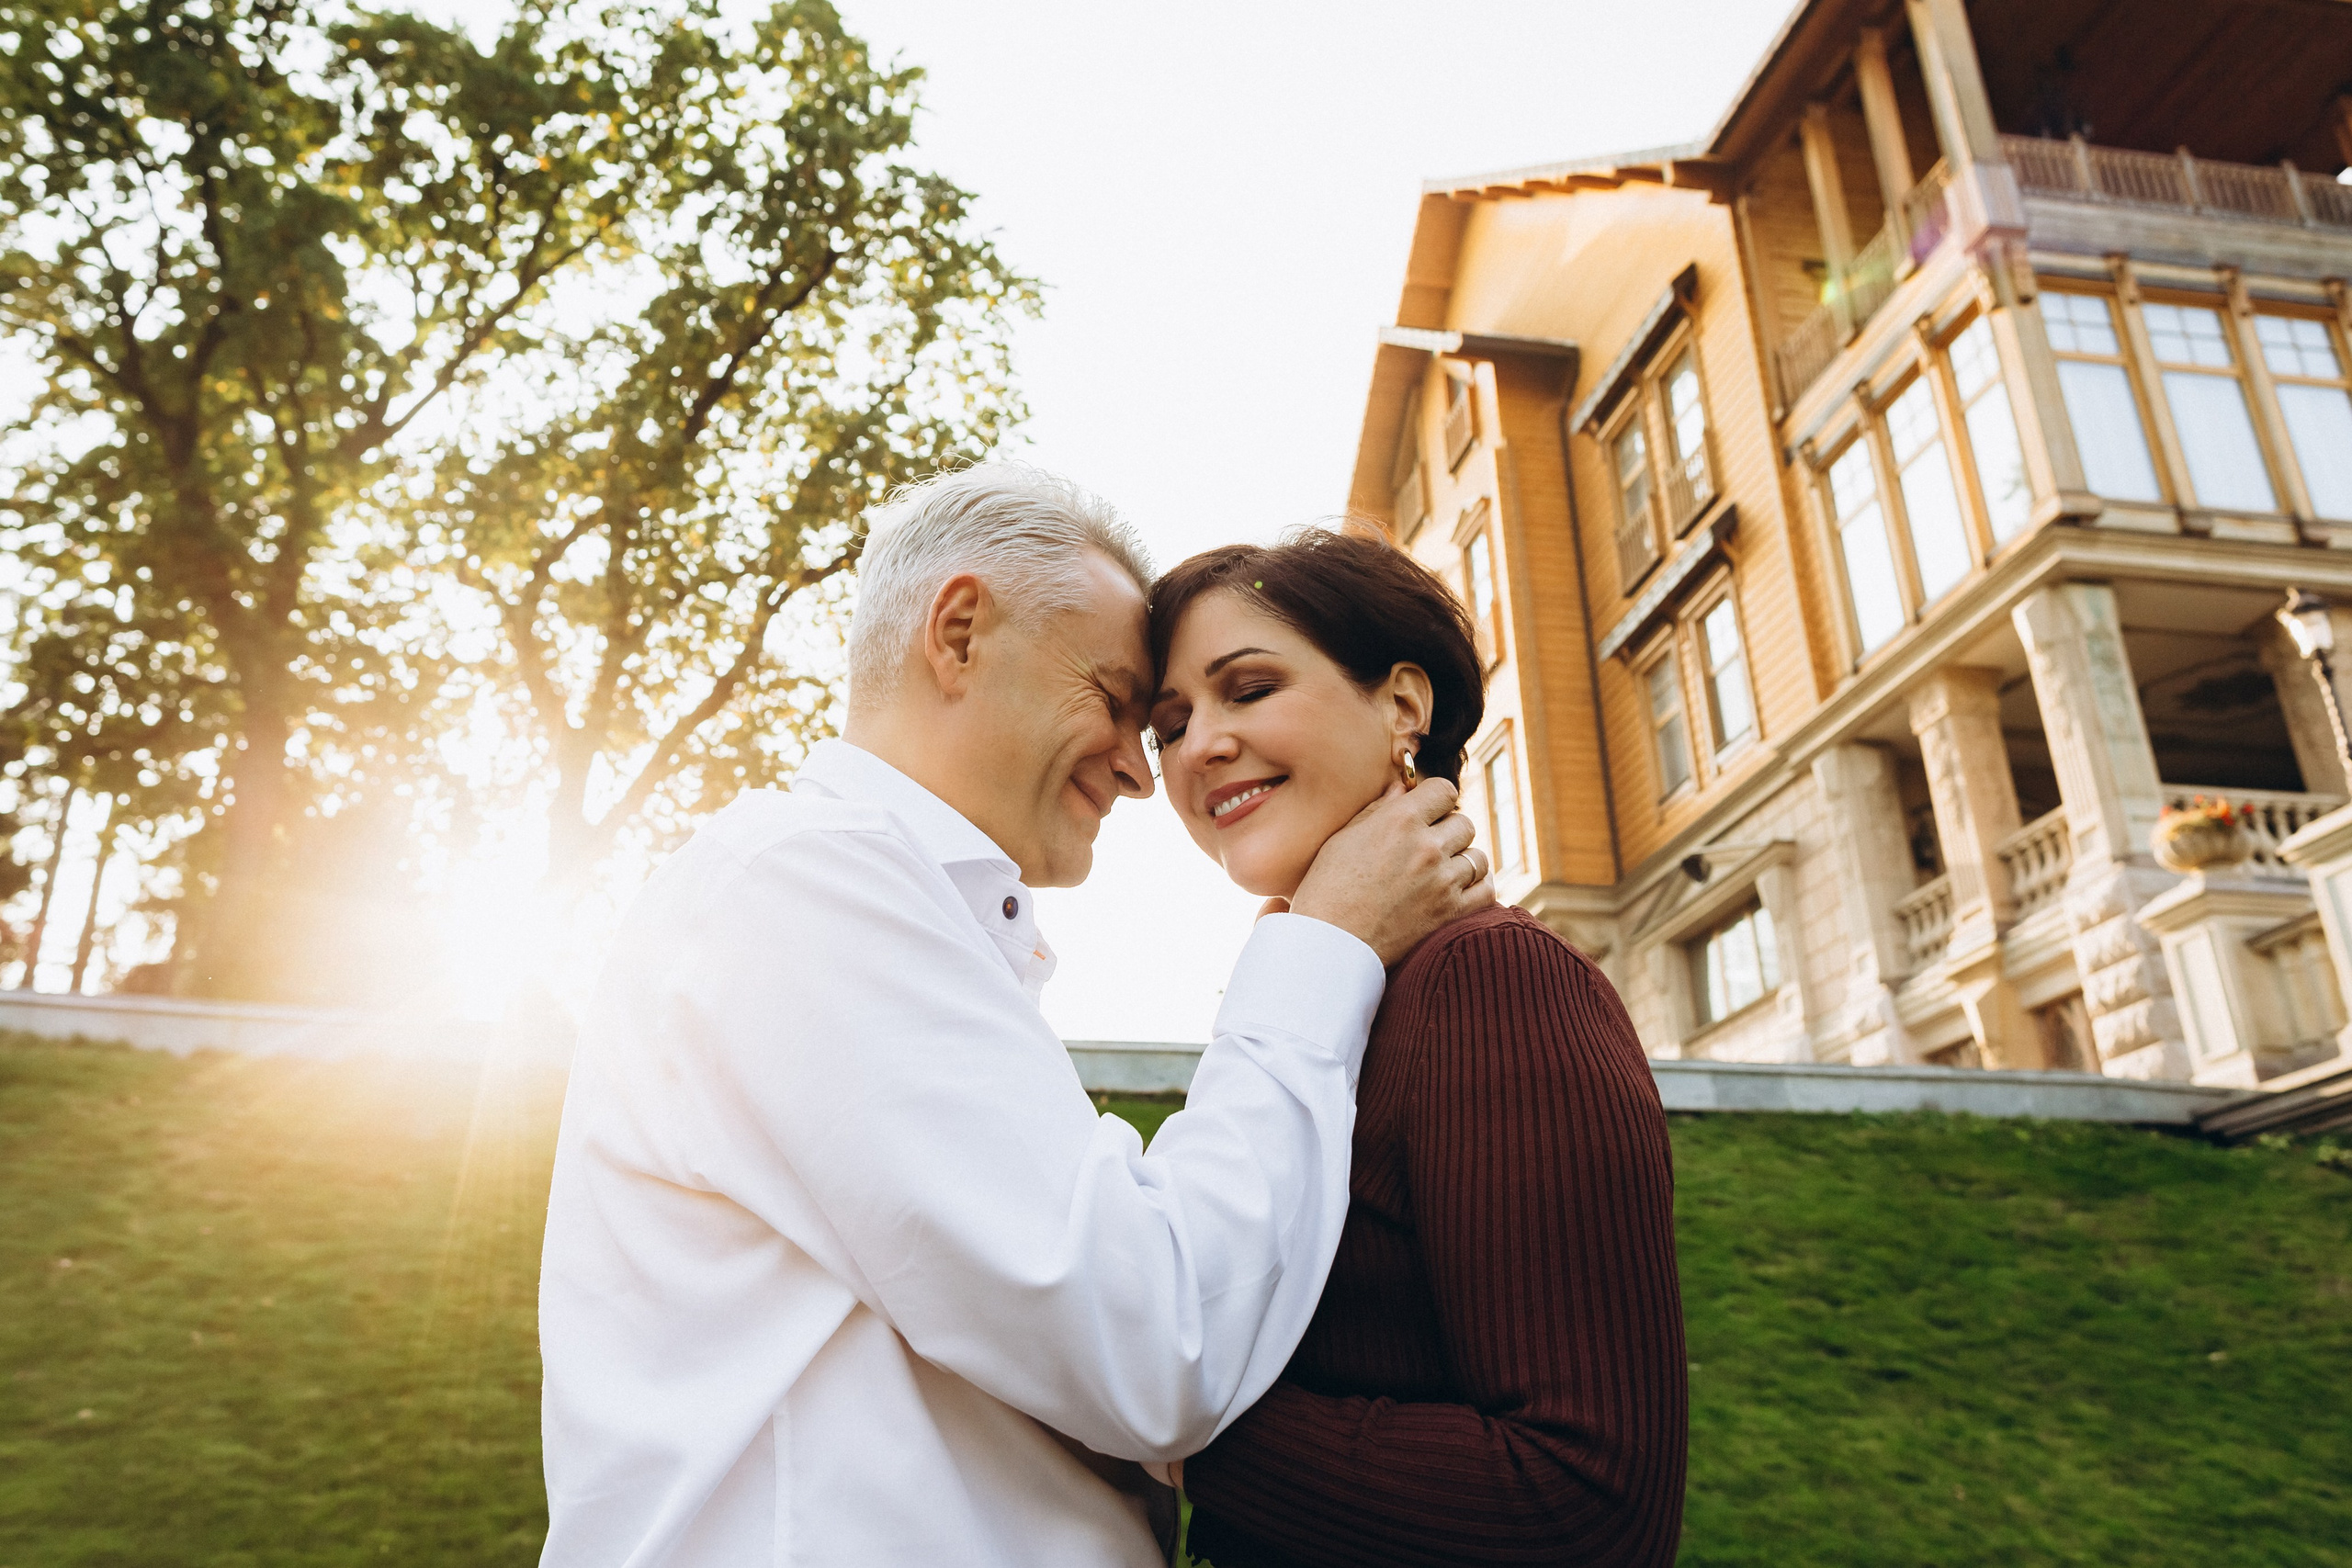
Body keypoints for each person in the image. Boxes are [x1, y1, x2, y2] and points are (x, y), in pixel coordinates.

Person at [536, 467, 1495, 1567]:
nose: (1144, 772)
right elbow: (1155, 1339)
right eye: (1123, 702)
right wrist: (1321, 949)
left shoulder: (873, 914)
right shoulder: (799, 890)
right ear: (957, 633)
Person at [1147, 528, 1688, 1568]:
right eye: (1170, 723)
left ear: (1403, 704)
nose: (1198, 746)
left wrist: (1163, 1424)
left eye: (1247, 689)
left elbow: (1588, 1504)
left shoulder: (1491, 982)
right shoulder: (1330, 1004)